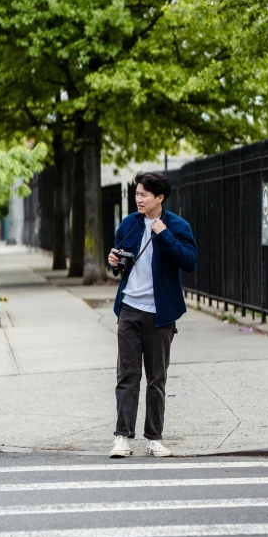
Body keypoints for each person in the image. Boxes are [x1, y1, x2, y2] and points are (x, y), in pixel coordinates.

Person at [108, 171, 198, 458]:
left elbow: (189, 261)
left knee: (156, 378)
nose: (139, 199)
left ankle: (154, 438)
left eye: (144, 194)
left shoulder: (177, 226)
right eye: (137, 194)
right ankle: (122, 437)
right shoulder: (129, 224)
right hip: (130, 309)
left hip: (160, 314)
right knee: (127, 376)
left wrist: (164, 234)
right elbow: (121, 261)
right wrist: (114, 262)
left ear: (160, 197)